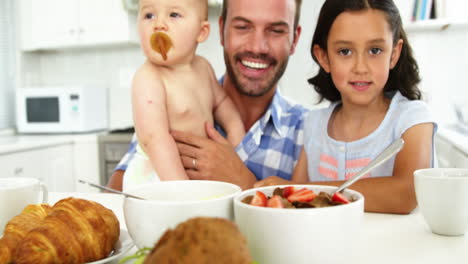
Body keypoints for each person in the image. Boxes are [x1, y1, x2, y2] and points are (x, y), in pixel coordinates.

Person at [255, 0, 437, 214]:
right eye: (345, 52)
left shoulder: (412, 119)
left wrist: (302, 190)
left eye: (375, 50)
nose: (361, 67)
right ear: (324, 58)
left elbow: (406, 193)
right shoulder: (314, 125)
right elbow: (297, 207)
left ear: (394, 54)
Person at [107, 0, 306, 191]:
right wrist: (182, 190)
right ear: (221, 30)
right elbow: (118, 195)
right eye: (243, 27)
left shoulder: (307, 131)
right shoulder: (157, 90)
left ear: (295, 39)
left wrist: (244, 180)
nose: (257, 47)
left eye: (276, 31)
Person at [124, 0, 245, 189]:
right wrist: (182, 188)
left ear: (201, 32)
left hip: (196, 174)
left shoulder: (203, 67)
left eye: (173, 15)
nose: (159, 24)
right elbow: (155, 139)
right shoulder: (148, 78)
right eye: (149, 15)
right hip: (159, 176)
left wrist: (235, 132)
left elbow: (221, 103)